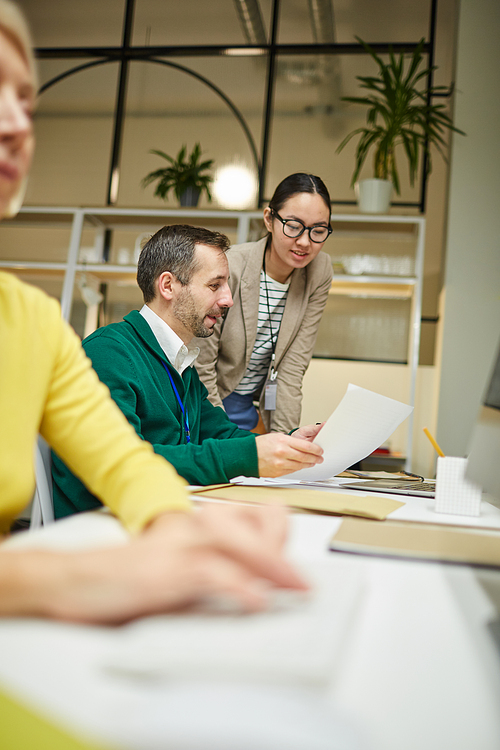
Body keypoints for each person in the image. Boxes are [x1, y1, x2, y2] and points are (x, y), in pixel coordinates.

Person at [0, 0, 308, 624]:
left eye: (27, 102)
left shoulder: (32, 321)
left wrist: (181, 534)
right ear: (169, 287)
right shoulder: (109, 351)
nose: (16, 122)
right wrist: (60, 578)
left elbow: (126, 464)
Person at [52, 223, 325, 519]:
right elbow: (124, 461)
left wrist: (289, 444)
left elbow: (222, 435)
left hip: (155, 516)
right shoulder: (109, 353)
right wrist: (249, 457)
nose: (227, 300)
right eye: (214, 285)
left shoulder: (180, 365)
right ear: (168, 286)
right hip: (101, 527)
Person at [196, 173, 334, 433]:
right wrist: (223, 436)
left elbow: (292, 368)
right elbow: (201, 365)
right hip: (206, 399)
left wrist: (284, 442)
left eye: (318, 230)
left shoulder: (320, 270)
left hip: (248, 406)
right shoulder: (231, 266)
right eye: (293, 226)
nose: (305, 242)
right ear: (269, 219)